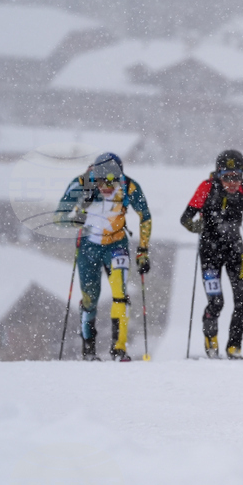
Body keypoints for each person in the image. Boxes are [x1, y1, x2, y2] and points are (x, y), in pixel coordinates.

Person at [54, 152, 152, 361]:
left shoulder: (129, 186)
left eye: (112, 181)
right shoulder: (81, 184)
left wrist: (143, 250)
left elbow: (145, 216)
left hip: (116, 245)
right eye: (100, 181)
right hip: (89, 248)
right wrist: (78, 217)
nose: (106, 187)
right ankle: (88, 351)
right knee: (90, 300)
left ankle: (119, 349)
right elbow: (59, 218)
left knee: (120, 294)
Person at [180, 150, 243, 359]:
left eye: (236, 176)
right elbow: (185, 218)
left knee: (241, 302)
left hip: (235, 251)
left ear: (242, 175)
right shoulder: (207, 188)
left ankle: (233, 347)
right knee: (216, 302)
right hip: (209, 251)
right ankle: (211, 342)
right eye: (227, 177)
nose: (232, 182)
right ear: (219, 175)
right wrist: (196, 227)